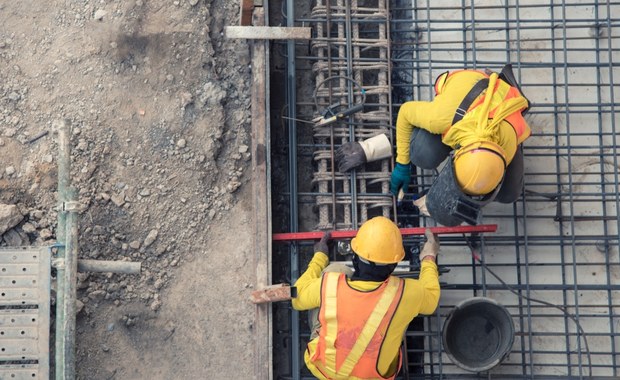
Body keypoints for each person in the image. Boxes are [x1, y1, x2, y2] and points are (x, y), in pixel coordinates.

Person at [292, 216, 440, 379]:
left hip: (325, 370)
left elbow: (296, 298)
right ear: (393, 266)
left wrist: (320, 256)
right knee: (399, 313)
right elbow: (432, 299)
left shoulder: (330, 285)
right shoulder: (406, 293)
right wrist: (429, 257)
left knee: (335, 269)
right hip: (373, 377)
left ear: (355, 258)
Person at [390, 65, 531, 226]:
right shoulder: (441, 117)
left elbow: (481, 176)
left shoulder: (509, 143)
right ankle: (495, 79)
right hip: (466, 89)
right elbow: (405, 112)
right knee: (421, 155)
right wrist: (402, 163)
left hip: (503, 109)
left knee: (509, 194)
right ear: (457, 154)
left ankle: (506, 86)